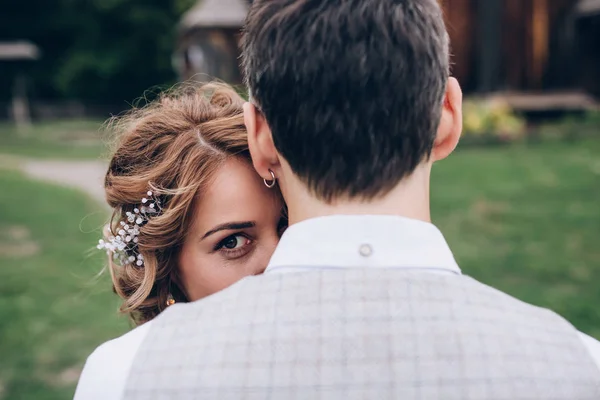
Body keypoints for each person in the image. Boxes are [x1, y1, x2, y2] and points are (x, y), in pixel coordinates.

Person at [92, 1, 600, 399]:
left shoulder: (125, 377)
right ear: (447, 117)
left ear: (260, 136)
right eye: (233, 241)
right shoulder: (581, 370)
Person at [73, 83, 286, 399]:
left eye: (288, 226)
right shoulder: (123, 380)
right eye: (232, 242)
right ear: (167, 265)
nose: (281, 259)